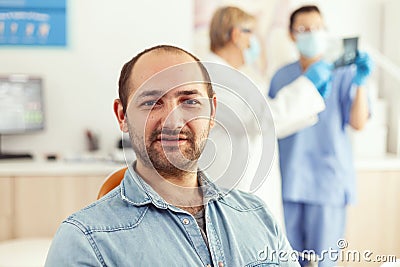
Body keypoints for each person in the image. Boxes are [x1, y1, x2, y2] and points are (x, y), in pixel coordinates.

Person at [45, 45, 300, 266]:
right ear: (122, 116)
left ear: (212, 113)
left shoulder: (258, 215)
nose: (173, 121)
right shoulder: (84, 240)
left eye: (189, 102)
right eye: (151, 102)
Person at [205, 6, 331, 229]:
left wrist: (310, 96)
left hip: (243, 190)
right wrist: (308, 86)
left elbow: (266, 125)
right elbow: (260, 120)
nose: (255, 42)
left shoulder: (234, 75)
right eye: (251, 33)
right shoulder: (215, 76)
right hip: (235, 192)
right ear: (236, 35)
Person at [268, 5, 373, 267]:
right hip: (289, 180)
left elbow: (358, 123)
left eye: (317, 28)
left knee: (324, 262)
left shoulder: (344, 72)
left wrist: (360, 82)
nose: (311, 34)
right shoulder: (282, 76)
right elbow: (269, 124)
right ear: (292, 35)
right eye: (303, 29)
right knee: (287, 260)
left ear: (325, 31)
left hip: (328, 183)